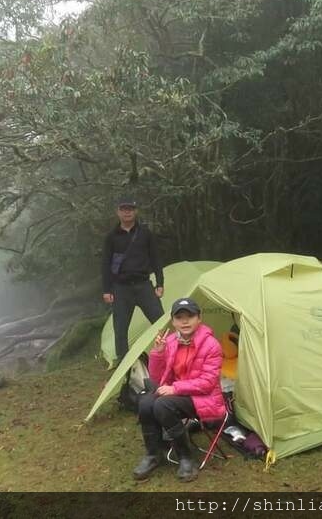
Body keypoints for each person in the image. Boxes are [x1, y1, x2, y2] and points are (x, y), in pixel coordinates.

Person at [132, 297, 226, 482]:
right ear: (173, 321)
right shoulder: (171, 341)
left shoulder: (211, 345)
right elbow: (158, 378)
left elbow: (207, 383)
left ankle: (186, 457)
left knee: (162, 405)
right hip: (177, 394)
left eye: (189, 316)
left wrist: (175, 388)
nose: (184, 321)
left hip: (204, 398)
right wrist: (158, 352)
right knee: (145, 402)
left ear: (199, 319)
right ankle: (153, 454)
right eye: (179, 317)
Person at [101, 197, 165, 362]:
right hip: (121, 289)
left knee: (161, 323)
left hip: (144, 285)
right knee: (120, 329)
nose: (127, 212)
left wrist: (160, 283)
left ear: (135, 211)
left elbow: (156, 258)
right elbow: (105, 264)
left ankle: (170, 356)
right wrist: (106, 290)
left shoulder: (145, 233)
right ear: (118, 212)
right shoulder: (111, 237)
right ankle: (124, 366)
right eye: (124, 209)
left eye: (130, 209)